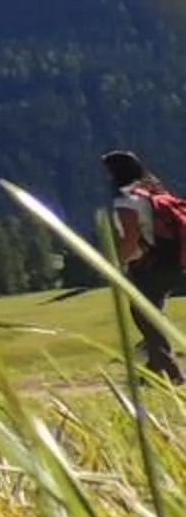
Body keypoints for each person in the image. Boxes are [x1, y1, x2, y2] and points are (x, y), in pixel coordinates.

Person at [103, 149, 185, 384]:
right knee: (150, 315)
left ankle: (172, 373)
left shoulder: (125, 200)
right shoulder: (150, 192)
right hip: (171, 261)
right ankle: (153, 372)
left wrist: (115, 262)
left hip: (149, 265)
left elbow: (130, 236)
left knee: (146, 318)